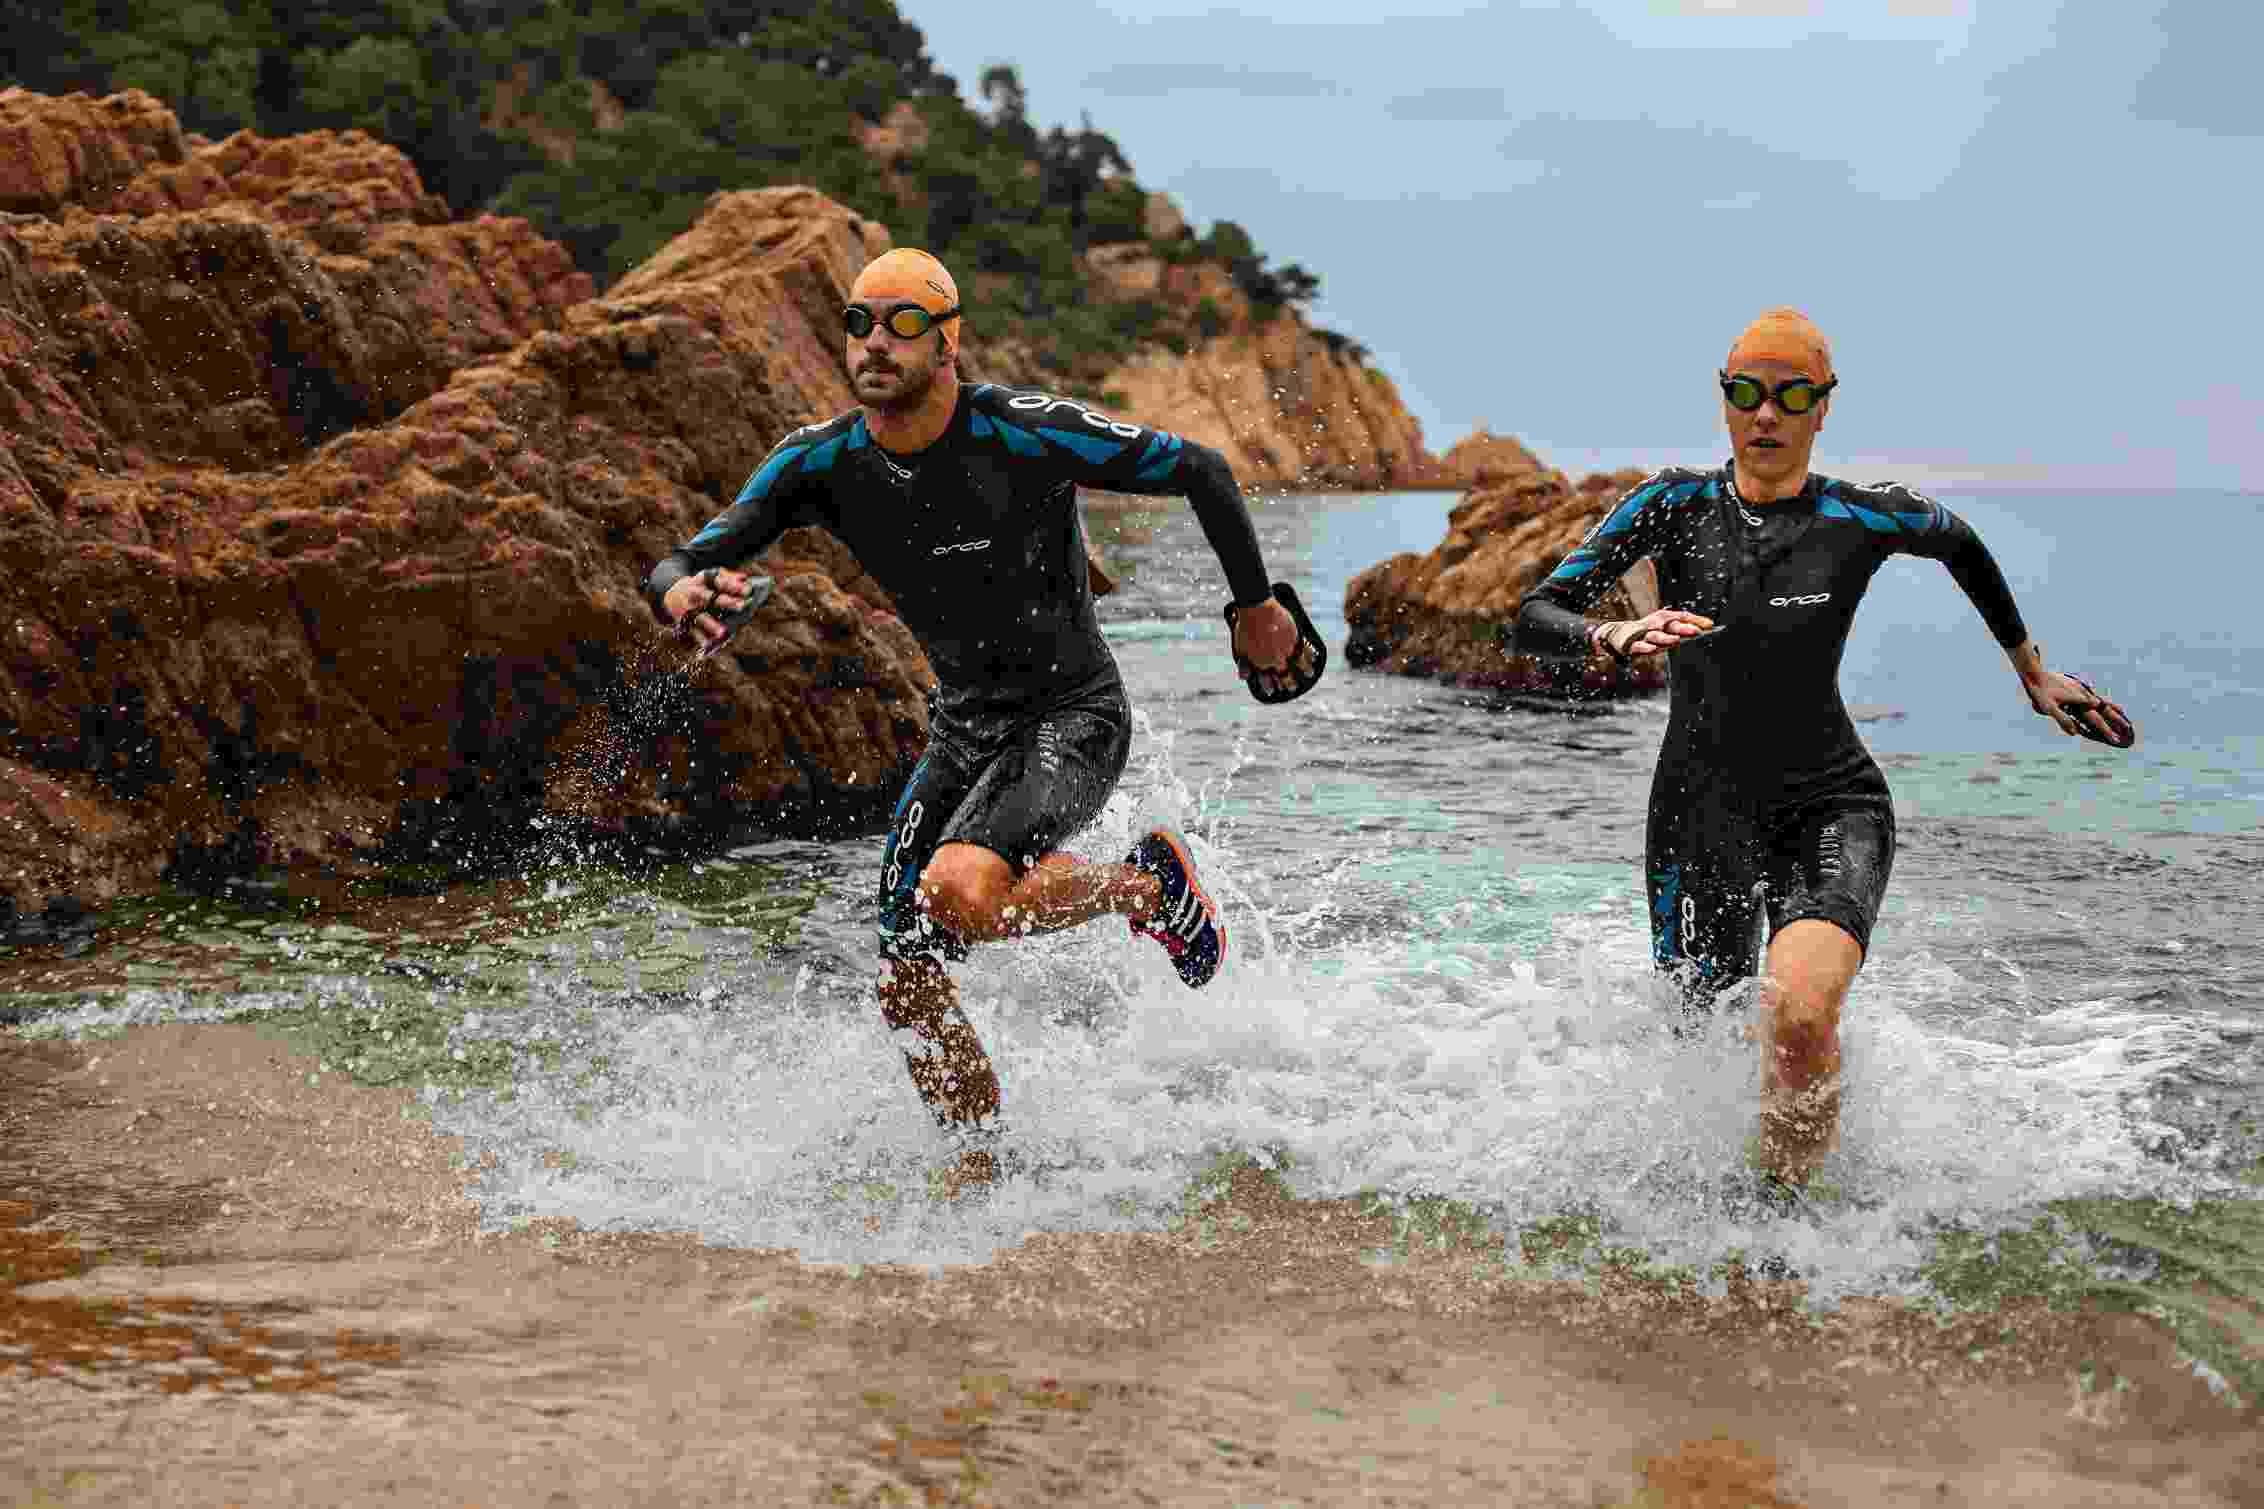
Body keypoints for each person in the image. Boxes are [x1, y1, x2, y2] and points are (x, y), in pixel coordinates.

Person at [645, 249, 1309, 1176]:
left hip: (1074, 712)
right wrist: (680, 593)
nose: (876, 341)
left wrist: (1255, 608)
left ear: (948, 341)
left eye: (904, 322)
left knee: (962, 890)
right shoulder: (820, 463)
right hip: (964, 728)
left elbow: (1200, 467)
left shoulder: (1023, 431)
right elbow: (680, 558)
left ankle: (1148, 886)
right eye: (859, 322)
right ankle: (979, 1163)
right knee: (904, 975)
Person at [1514, 307, 2134, 1190]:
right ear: (1724, 400)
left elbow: (1959, 541)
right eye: (1748, 394)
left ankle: (1789, 1242)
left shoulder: (1855, 516)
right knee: (1703, 1045)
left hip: (1830, 803)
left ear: (1822, 407)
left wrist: (2031, 673)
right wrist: (1614, 637)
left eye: (1792, 395)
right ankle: (1722, 1211)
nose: (1767, 415)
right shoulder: (1671, 505)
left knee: (1798, 1014)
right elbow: (1534, 615)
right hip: (1698, 815)